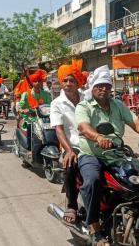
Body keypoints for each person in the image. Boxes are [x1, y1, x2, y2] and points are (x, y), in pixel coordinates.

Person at [75, 65, 139, 246]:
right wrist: (98, 137)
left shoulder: (118, 105)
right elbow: (83, 127)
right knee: (92, 181)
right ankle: (94, 228)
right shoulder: (84, 106)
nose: (104, 89)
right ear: (92, 88)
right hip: (92, 154)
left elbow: (137, 124)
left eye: (107, 85)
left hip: (115, 155)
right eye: (100, 86)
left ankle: (137, 216)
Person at [50, 60, 87, 226]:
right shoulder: (56, 103)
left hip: (92, 143)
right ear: (60, 82)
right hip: (72, 145)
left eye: (72, 80)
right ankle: (71, 205)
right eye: (65, 80)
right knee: (71, 165)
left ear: (77, 82)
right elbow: (59, 129)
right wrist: (69, 150)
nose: (68, 84)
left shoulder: (87, 98)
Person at [18, 69, 52, 149]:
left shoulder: (46, 94)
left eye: (39, 81)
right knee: (30, 128)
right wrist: (24, 111)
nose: (37, 83)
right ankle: (29, 148)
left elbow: (51, 106)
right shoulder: (26, 94)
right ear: (32, 82)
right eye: (35, 81)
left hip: (44, 119)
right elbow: (19, 108)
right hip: (31, 119)